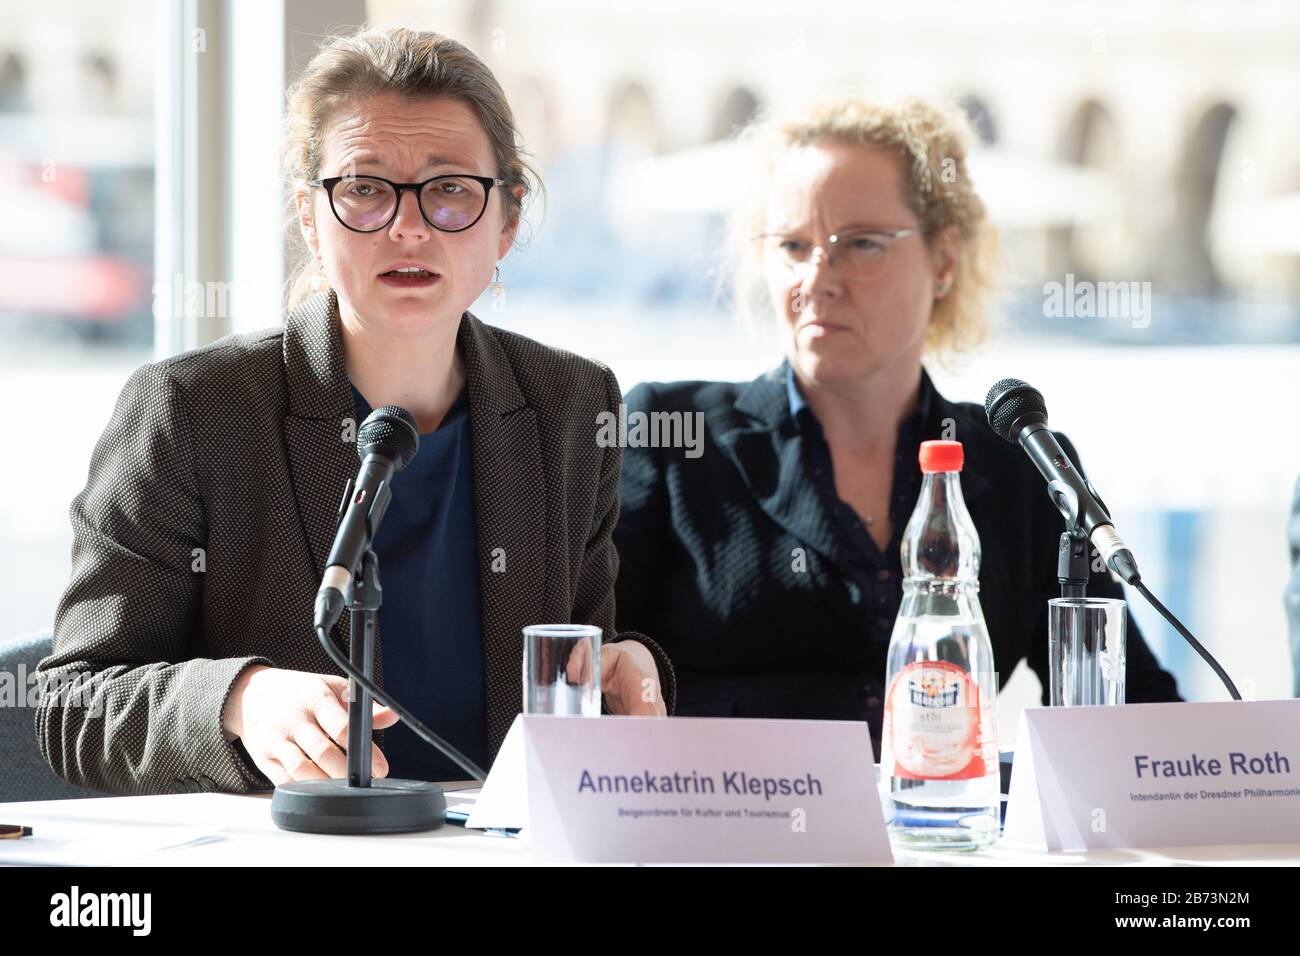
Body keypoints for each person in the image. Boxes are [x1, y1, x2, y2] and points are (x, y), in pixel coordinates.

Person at [37, 27, 673, 796]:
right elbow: (73, 703)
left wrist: (627, 664)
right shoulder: (195, 409)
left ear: (507, 218)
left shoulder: (571, 405)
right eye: (366, 188)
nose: (409, 226)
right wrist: (238, 700)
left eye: (448, 189)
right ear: (310, 215)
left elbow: (586, 653)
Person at [612, 96, 1178, 751]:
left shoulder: (1016, 465)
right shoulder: (673, 434)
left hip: (943, 842)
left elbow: (1136, 713)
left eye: (860, 244)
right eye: (793, 245)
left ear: (943, 261)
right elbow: (585, 664)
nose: (818, 278)